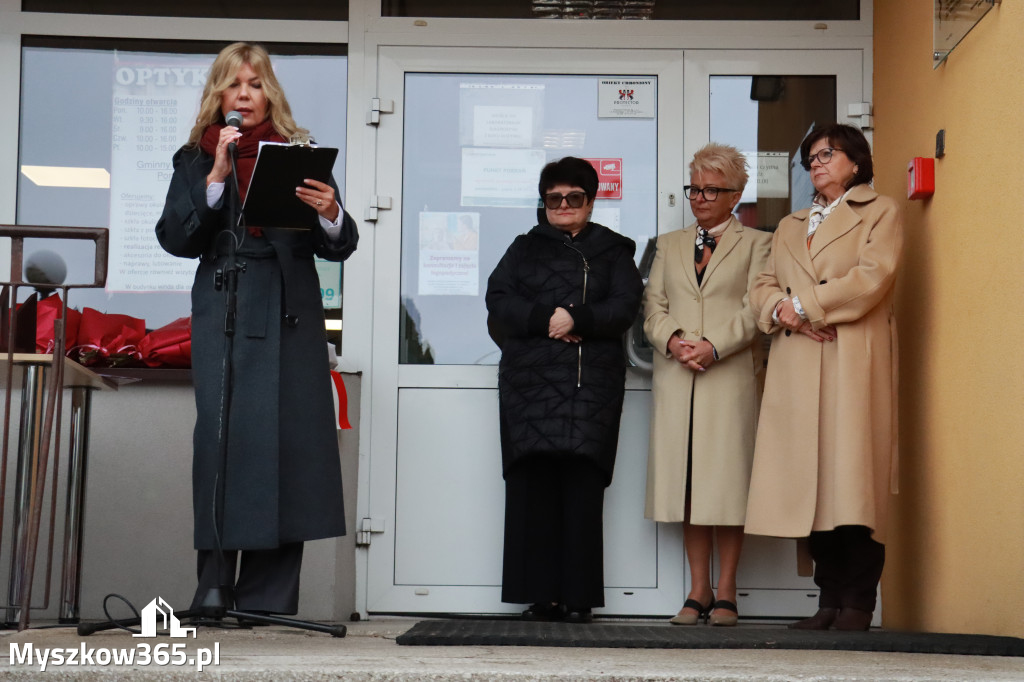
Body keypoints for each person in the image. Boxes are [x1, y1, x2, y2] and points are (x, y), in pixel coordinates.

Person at [155, 42, 358, 617]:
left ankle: (268, 601)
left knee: (288, 449)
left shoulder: (298, 155)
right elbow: (175, 238)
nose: (245, 93)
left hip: (291, 315)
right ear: (218, 94)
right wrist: (217, 177)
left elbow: (340, 245)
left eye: (256, 83)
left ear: (270, 92)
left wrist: (330, 214)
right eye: (234, 83)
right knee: (224, 447)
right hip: (227, 310)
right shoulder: (194, 159)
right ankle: (214, 588)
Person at [744, 123, 903, 631]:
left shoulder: (881, 211)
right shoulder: (791, 224)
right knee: (808, 486)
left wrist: (802, 305)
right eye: (810, 157)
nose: (816, 162)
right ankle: (828, 601)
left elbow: (871, 279)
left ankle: (857, 604)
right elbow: (761, 285)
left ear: (856, 162)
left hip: (849, 360)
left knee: (852, 484)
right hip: (796, 364)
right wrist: (780, 309)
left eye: (827, 154)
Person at [485, 156, 643, 624]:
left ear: (590, 202)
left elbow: (625, 305)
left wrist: (579, 318)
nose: (564, 205)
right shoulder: (522, 248)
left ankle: (577, 600)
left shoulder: (614, 250)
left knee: (580, 490)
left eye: (574, 197)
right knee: (533, 490)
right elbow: (498, 300)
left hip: (588, 385)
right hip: (529, 386)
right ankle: (540, 598)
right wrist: (548, 320)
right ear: (544, 203)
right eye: (554, 199)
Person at [643, 143, 771, 627]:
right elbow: (651, 303)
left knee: (728, 485)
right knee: (689, 486)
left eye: (710, 189)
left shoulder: (759, 243)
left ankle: (727, 591)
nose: (699, 197)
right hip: (678, 377)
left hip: (729, 376)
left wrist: (714, 345)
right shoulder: (669, 243)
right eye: (694, 187)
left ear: (735, 194)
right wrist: (673, 340)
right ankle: (697, 591)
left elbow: (756, 308)